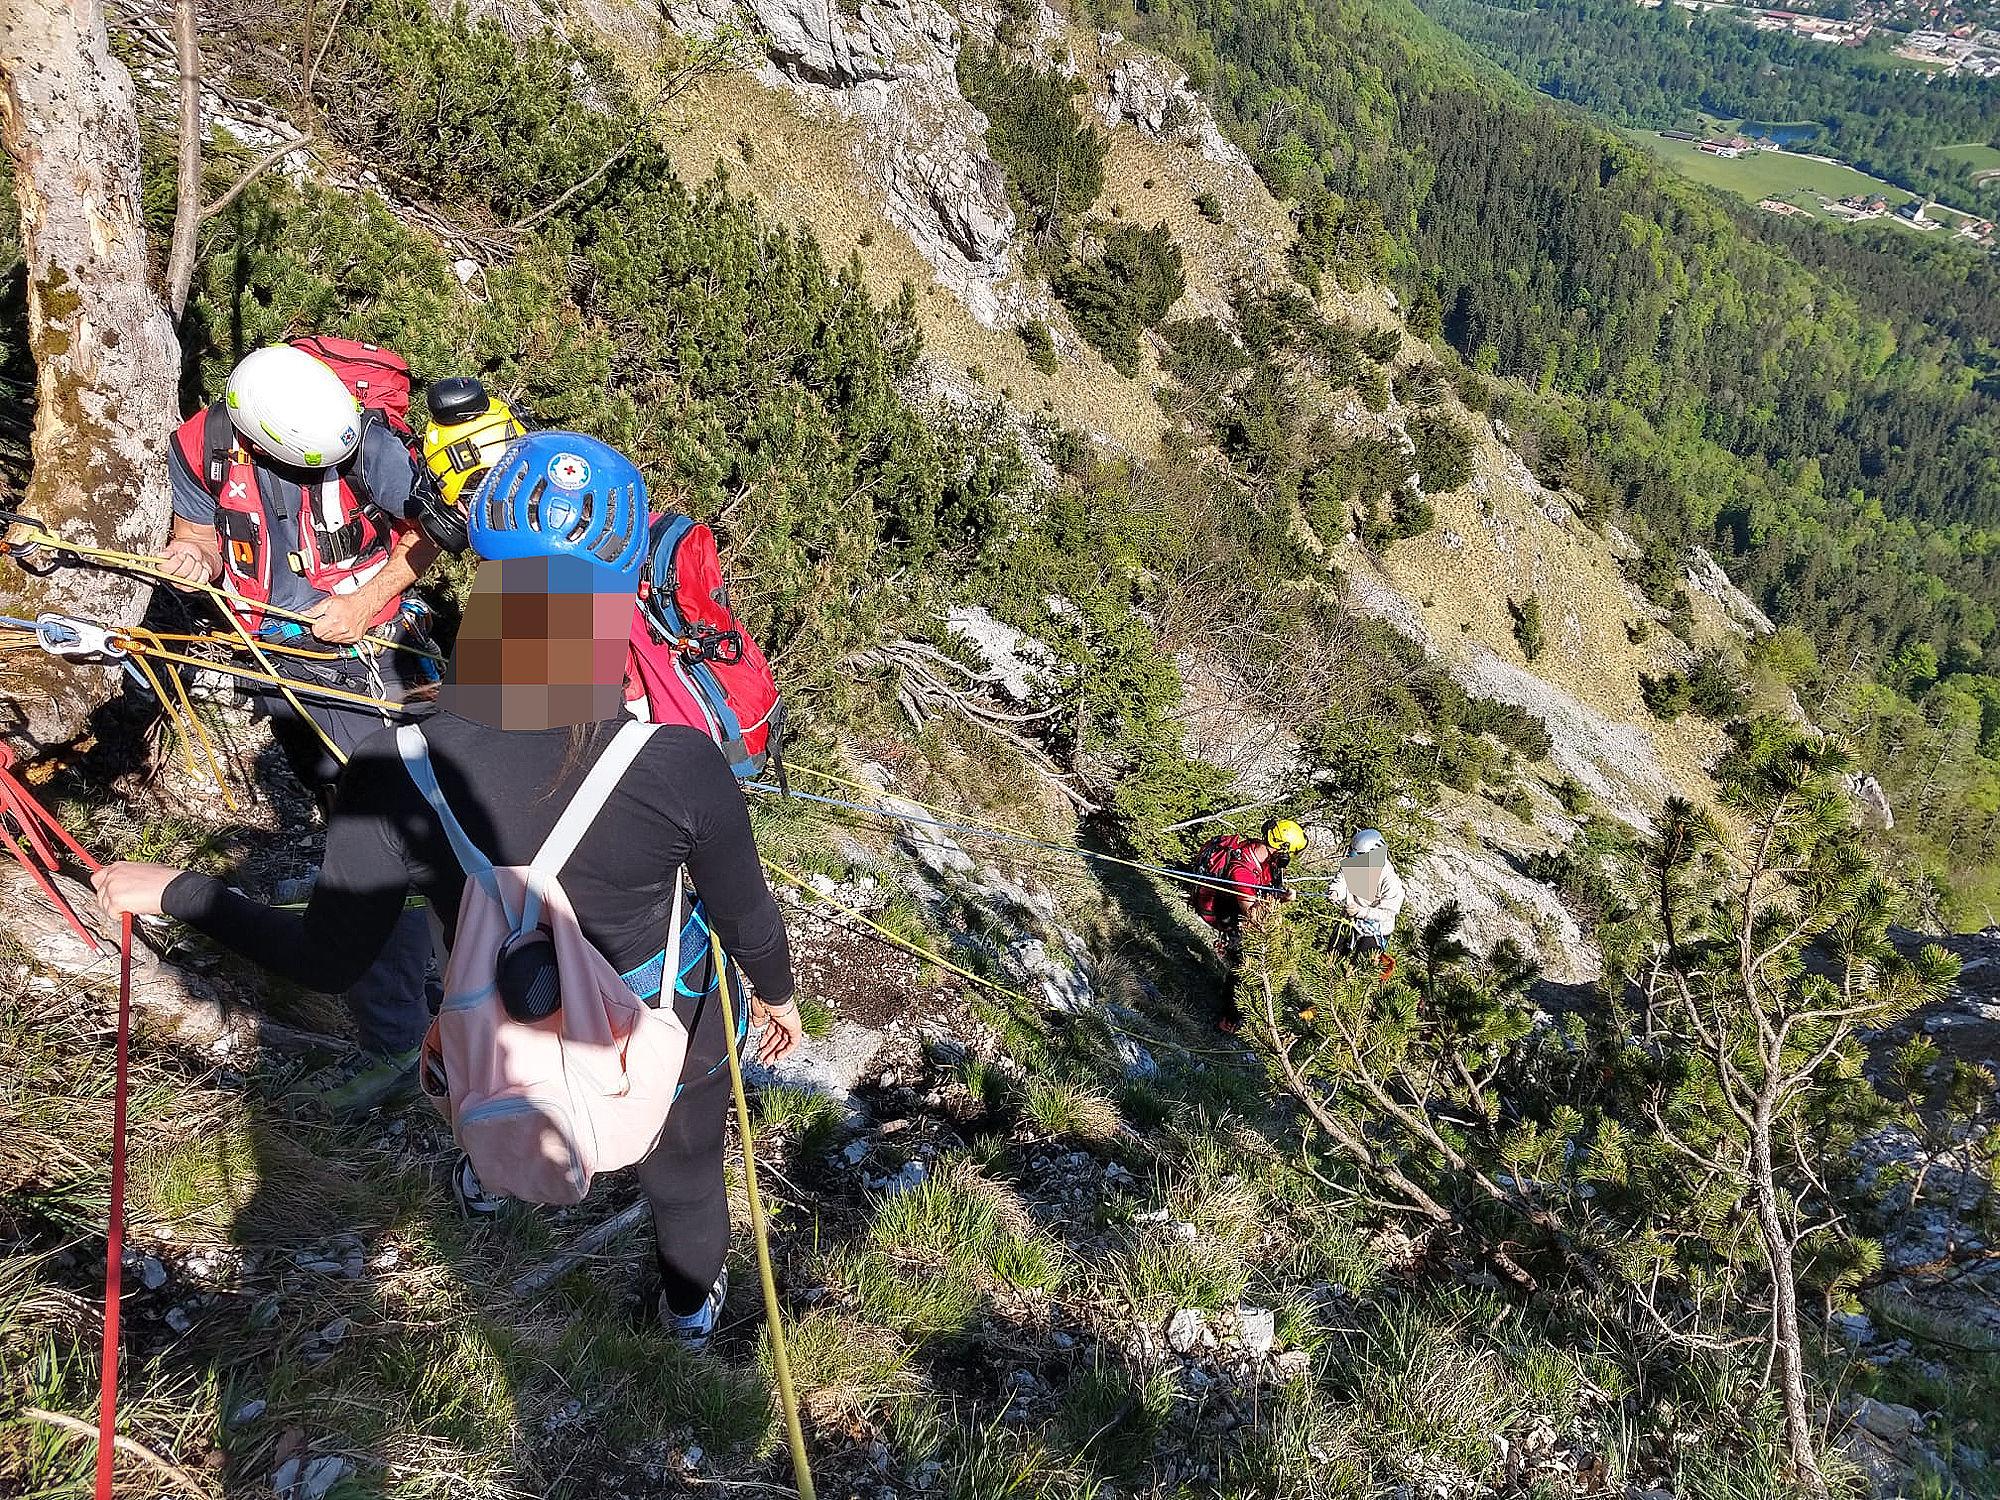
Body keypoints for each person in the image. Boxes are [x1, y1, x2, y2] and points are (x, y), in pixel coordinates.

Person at [95, 430, 803, 1346]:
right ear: (625, 597)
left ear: (488, 582)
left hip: (495, 1017)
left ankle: (489, 1167)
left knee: (479, 1066)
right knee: (687, 1173)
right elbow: (747, 917)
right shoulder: (676, 763)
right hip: (667, 1023)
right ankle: (687, 1315)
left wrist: (178, 891)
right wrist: (778, 1000)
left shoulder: (397, 763)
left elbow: (327, 957)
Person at [155, 343, 444, 1109]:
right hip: (278, 664)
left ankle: (399, 1036)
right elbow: (200, 532)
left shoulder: (364, 441)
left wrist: (362, 603)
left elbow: (434, 533)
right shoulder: (204, 443)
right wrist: (193, 558)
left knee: (378, 839)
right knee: (366, 828)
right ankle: (427, 992)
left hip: (367, 659)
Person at [1190, 818, 1306, 1032]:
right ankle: (1229, 1018)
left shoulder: (1260, 854)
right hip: (1228, 913)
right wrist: (1282, 902)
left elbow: (1267, 888)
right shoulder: (1241, 871)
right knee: (1246, 960)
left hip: (1235, 908)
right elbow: (1253, 914)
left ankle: (1239, 1004)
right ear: (1281, 849)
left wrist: (1278, 895)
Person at [1328, 828, 1406, 963]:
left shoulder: (1391, 882)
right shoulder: (1354, 863)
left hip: (1376, 929)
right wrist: (1335, 892)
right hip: (1350, 920)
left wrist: (1361, 912)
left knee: (1361, 967)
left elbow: (1387, 914)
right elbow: (1341, 880)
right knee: (1332, 957)